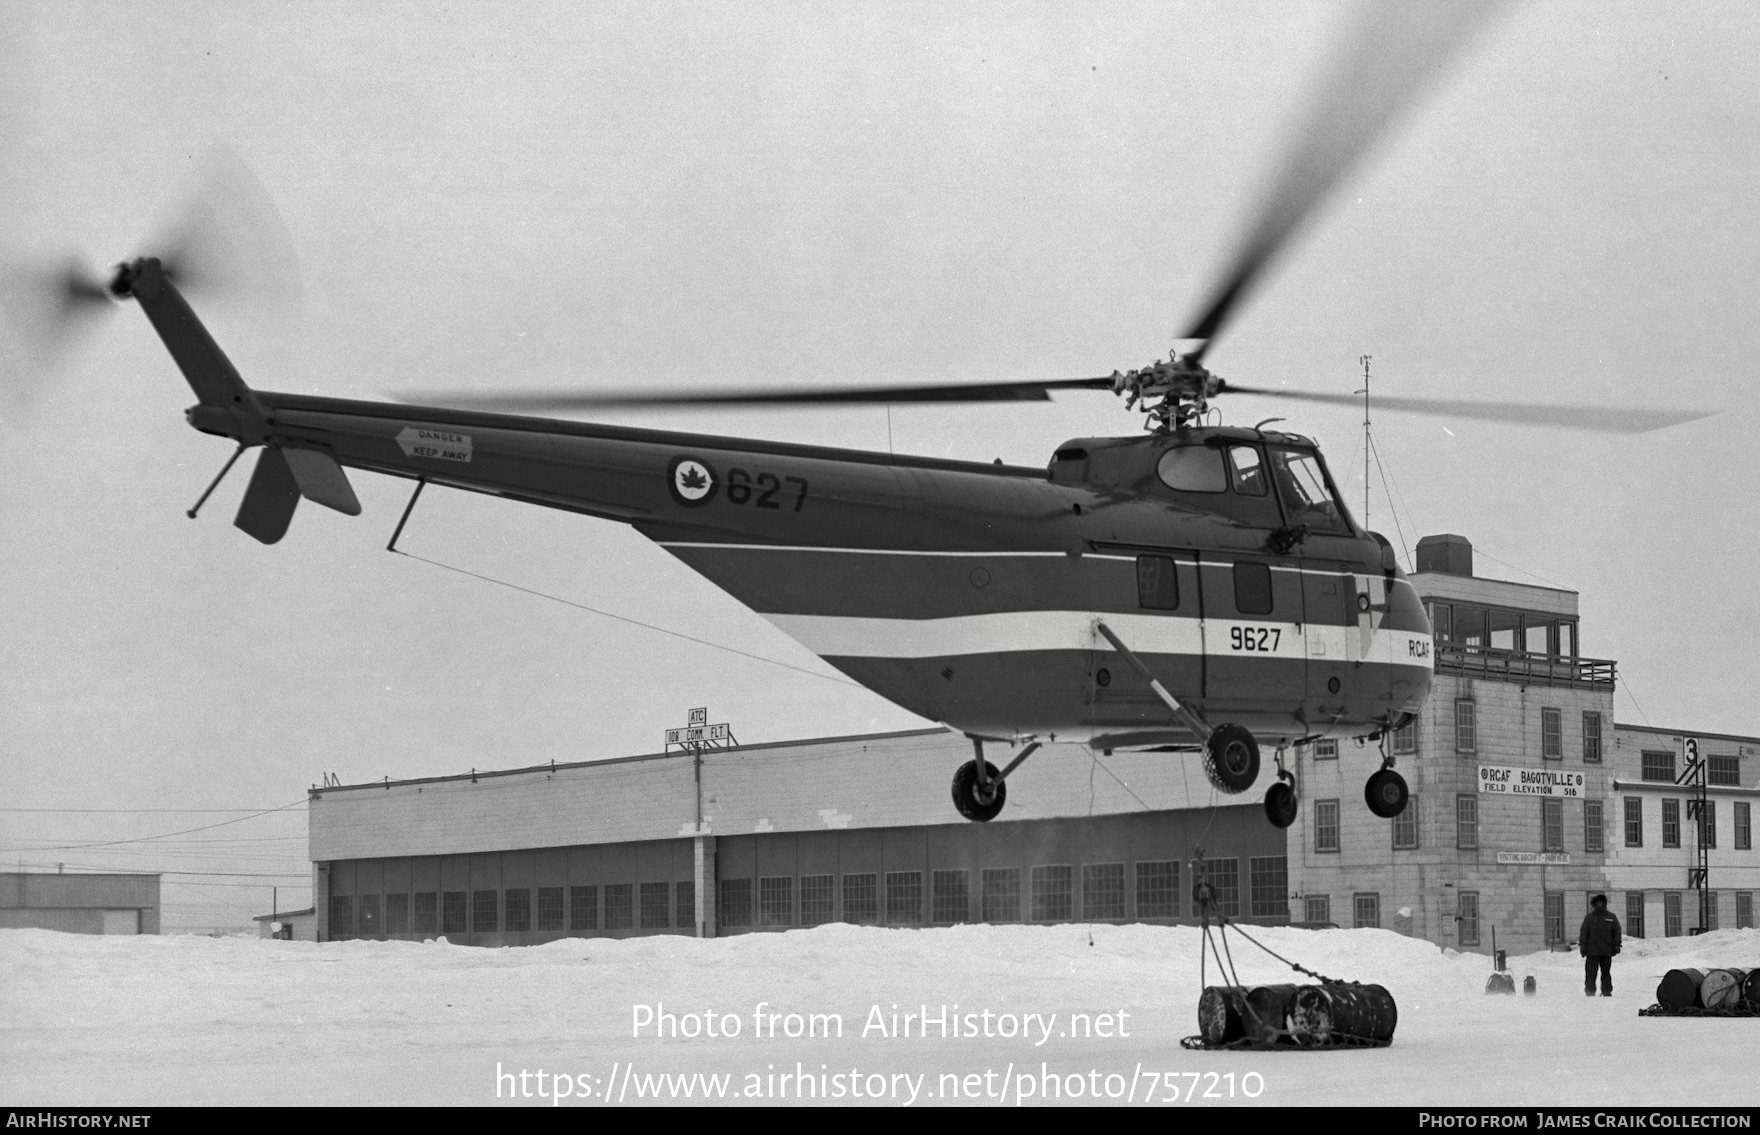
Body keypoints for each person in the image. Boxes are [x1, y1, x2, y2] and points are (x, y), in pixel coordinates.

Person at [1579, 893, 1622, 996]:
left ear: (1604, 903)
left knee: (1606, 972)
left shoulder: (1611, 917)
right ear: (1594, 904)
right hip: (1592, 951)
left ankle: (1606, 991)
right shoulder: (1589, 918)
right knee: (1590, 973)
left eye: (1601, 902)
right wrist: (1583, 946)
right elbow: (1584, 932)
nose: (1599, 905)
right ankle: (1590, 991)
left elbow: (1617, 931)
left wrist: (1617, 945)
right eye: (1597, 903)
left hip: (1606, 950)